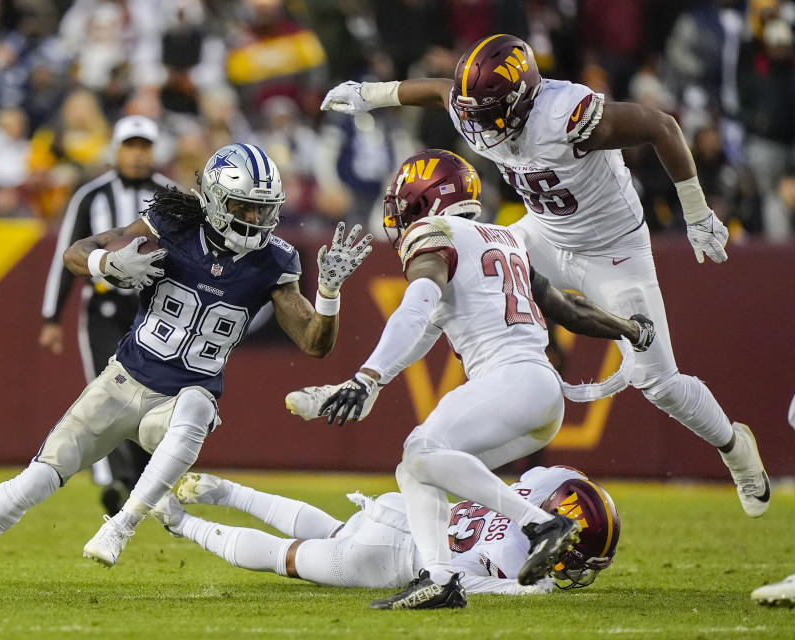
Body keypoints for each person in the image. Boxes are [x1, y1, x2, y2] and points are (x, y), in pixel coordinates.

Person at [320, 33, 769, 519]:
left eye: (489, 113)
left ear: (520, 98)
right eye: (473, 112)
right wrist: (371, 95)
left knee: (658, 382)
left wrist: (697, 212)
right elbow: (434, 91)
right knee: (447, 283)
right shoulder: (476, 105)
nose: (479, 126)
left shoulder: (568, 115)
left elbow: (660, 126)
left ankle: (733, 447)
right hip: (542, 232)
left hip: (612, 251)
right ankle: (372, 381)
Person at [0, 143, 373, 598]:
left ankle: (121, 525)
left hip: (178, 403)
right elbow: (77, 252)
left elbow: (315, 345)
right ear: (213, 197)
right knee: (34, 481)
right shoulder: (172, 222)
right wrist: (108, 262)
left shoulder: (275, 261)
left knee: (196, 404)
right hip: (122, 381)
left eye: (263, 208)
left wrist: (329, 295)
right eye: (244, 206)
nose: (255, 219)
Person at [286, 149, 652, 609]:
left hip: (511, 381)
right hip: (541, 395)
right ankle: (440, 579)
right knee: (417, 469)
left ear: (423, 199)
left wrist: (367, 375)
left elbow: (416, 305)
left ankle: (541, 523)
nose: (400, 216)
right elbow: (566, 307)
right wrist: (630, 328)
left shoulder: (434, 231)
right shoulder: (504, 238)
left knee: (420, 450)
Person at [149, 465, 620, 600]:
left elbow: (555, 477)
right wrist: (527, 591)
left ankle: (226, 490)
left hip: (398, 510)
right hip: (386, 558)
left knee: (333, 528)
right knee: (285, 557)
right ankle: (182, 522)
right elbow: (453, 578)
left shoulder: (536, 488)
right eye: (577, 553)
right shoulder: (516, 561)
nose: (572, 562)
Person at [39, 115, 179, 517]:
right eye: (131, 146)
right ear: (116, 150)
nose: (138, 154)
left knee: (152, 392)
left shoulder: (169, 195)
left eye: (145, 146)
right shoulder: (91, 195)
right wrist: (51, 318)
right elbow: (67, 255)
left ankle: (138, 479)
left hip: (151, 307)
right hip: (103, 306)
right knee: (109, 388)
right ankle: (122, 480)